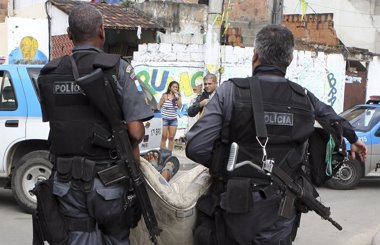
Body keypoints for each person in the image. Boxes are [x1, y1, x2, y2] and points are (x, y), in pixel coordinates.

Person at [186, 24, 367, 245]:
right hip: (281, 210)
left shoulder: (230, 91)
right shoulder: (303, 97)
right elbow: (332, 117)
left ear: (255, 56)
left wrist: (230, 165)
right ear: (289, 59)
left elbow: (196, 146)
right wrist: (354, 139)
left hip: (234, 203)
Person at [36, 4, 153, 245]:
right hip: (108, 182)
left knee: (78, 237)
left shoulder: (49, 73)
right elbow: (136, 132)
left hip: (66, 183)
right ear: (102, 31)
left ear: (69, 35)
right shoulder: (117, 68)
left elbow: (57, 124)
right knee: (115, 237)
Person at [159, 80, 182, 151]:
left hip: (173, 120)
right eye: (174, 87)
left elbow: (180, 106)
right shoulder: (165, 96)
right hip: (164, 119)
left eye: (177, 87)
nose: (175, 88)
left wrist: (177, 97)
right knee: (164, 137)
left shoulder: (178, 96)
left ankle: (169, 154)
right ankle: (162, 153)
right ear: (170, 87)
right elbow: (159, 106)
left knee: (171, 137)